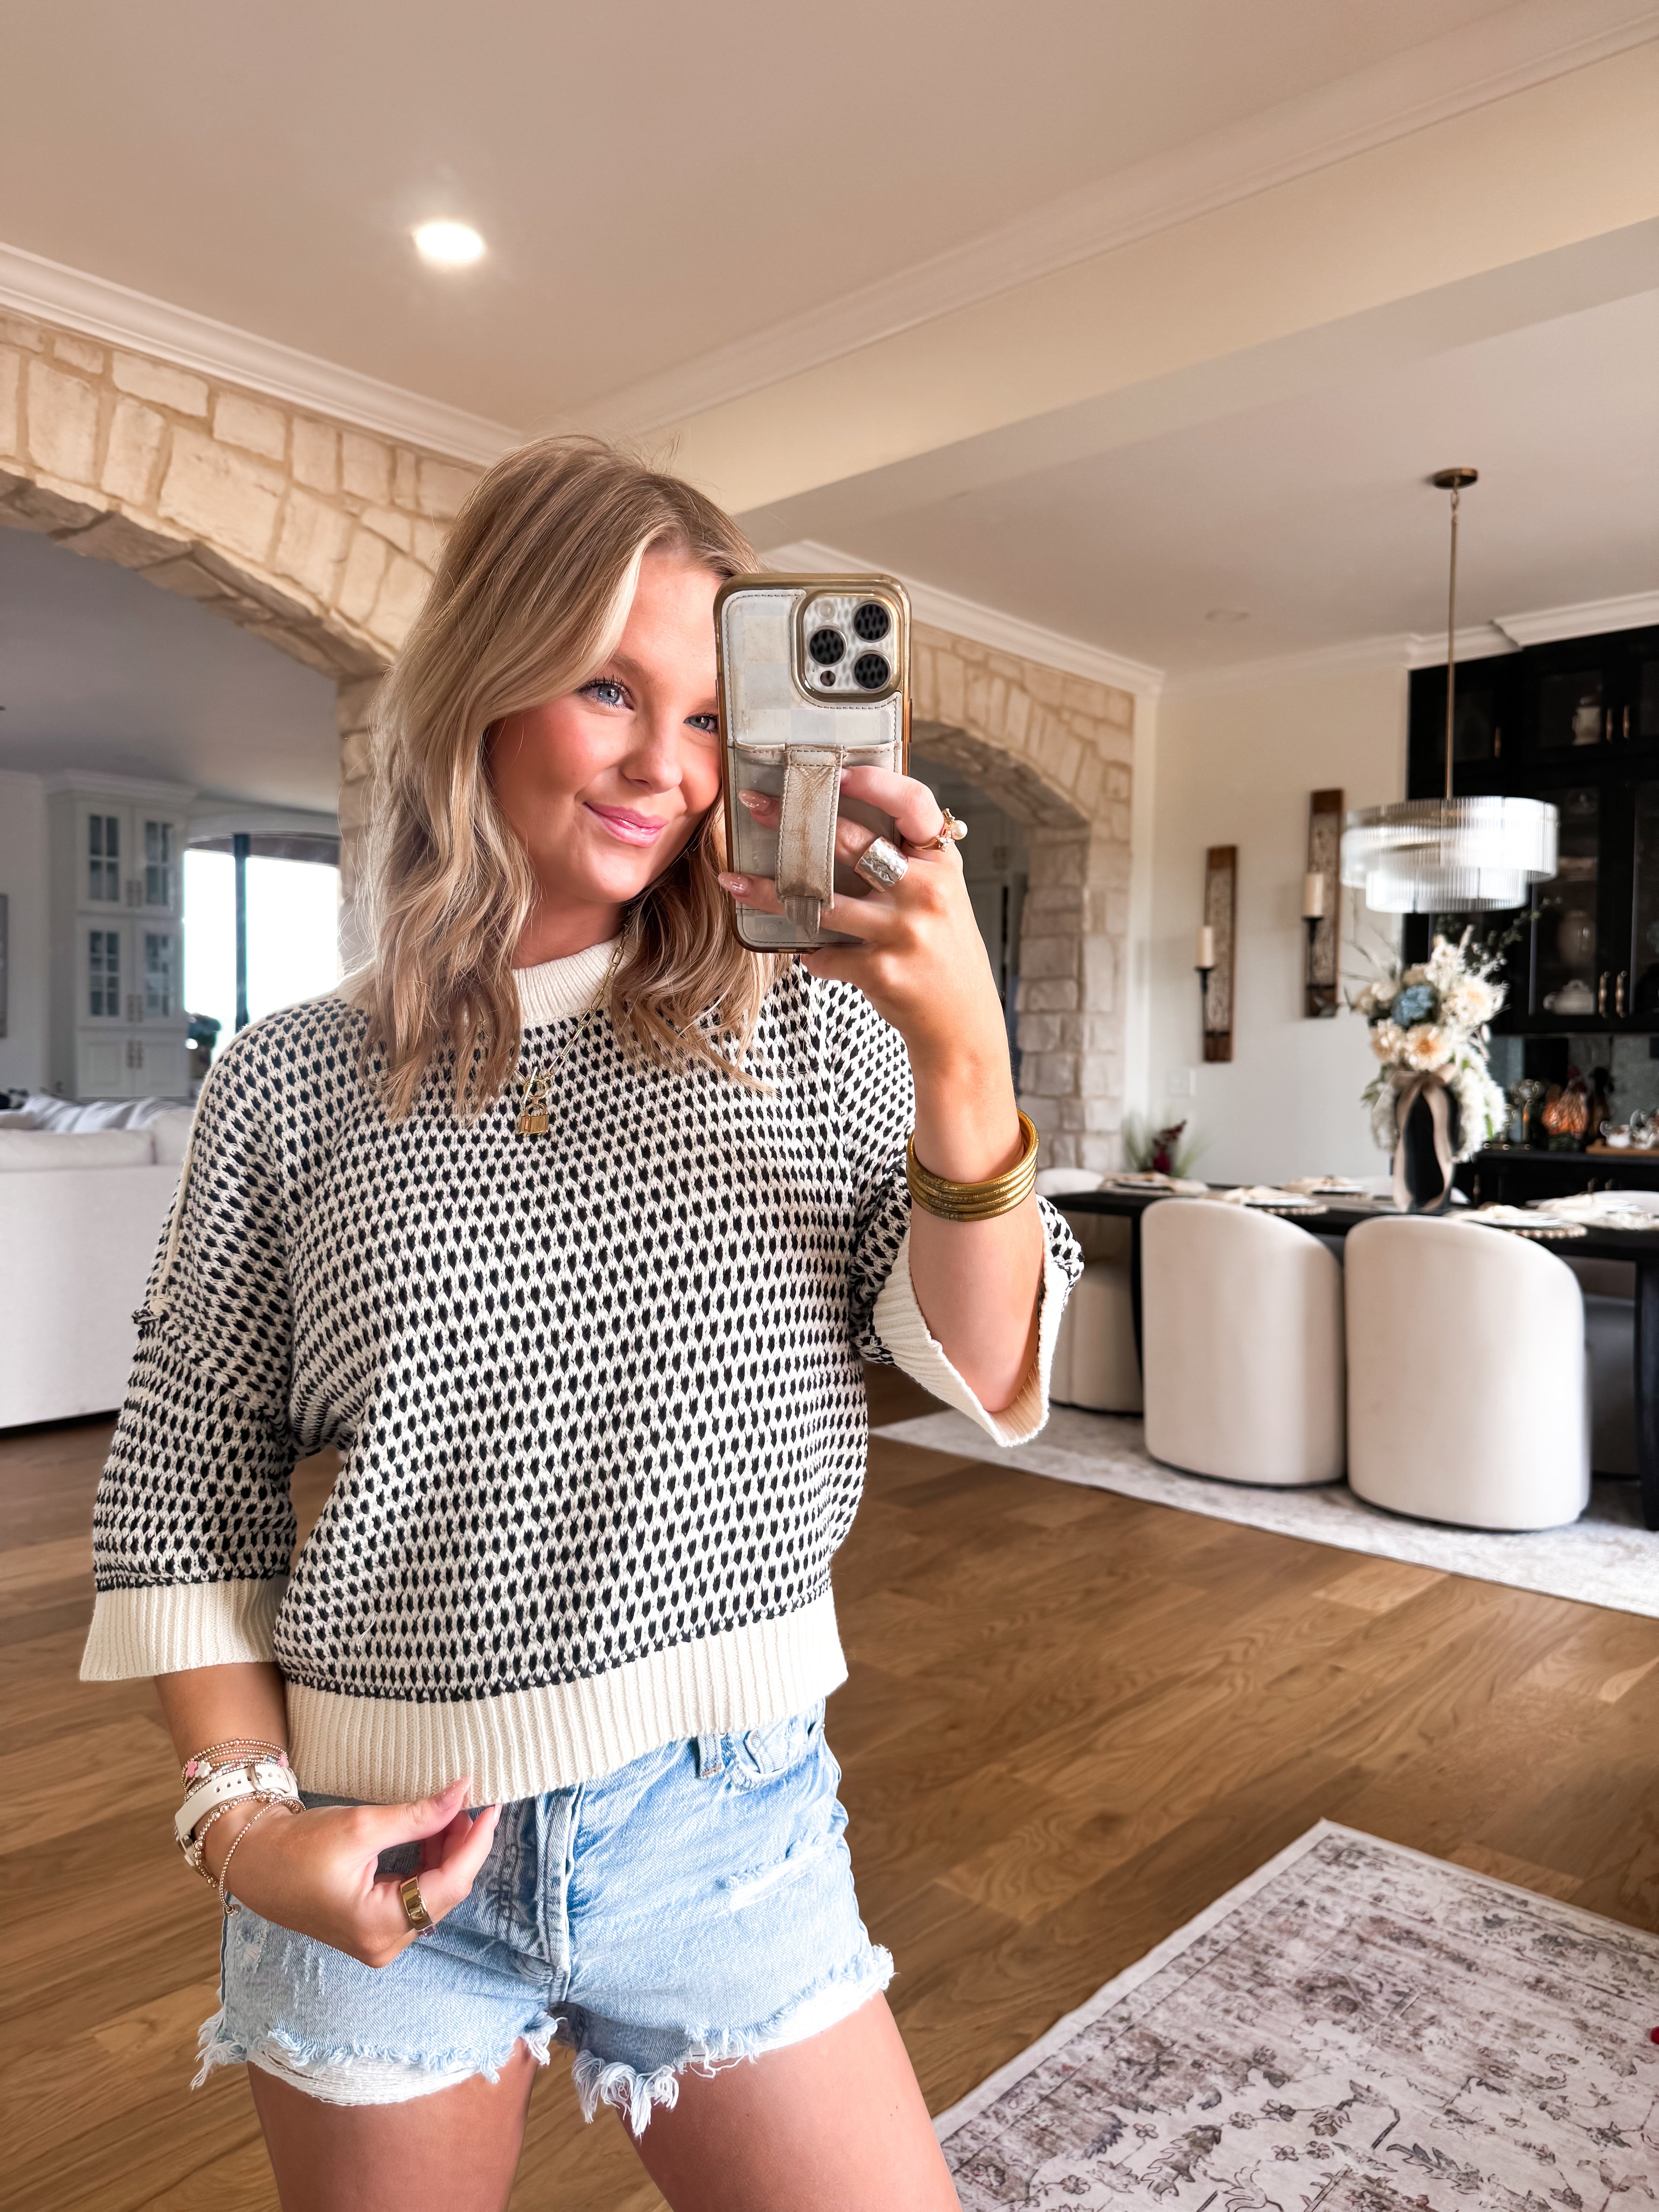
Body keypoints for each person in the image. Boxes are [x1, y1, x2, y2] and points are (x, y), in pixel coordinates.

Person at [83, 436, 1080, 2212]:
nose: (663, 764)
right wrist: (239, 1829)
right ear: (486, 682)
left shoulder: (815, 1030)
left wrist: (965, 1050)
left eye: (710, 714)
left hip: (731, 1819)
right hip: (386, 1836)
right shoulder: (291, 1080)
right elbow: (178, 1487)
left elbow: (986, 1364)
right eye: (606, 684)